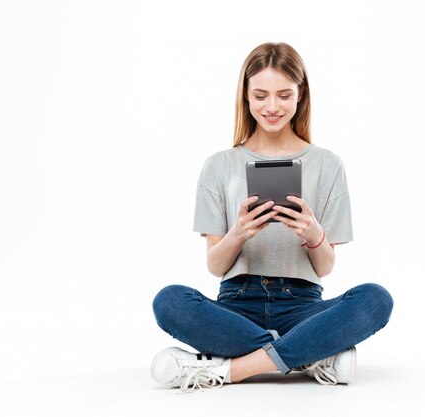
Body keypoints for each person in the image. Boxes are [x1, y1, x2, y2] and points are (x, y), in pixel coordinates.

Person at [151, 42, 393, 392]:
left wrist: (313, 233)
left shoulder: (328, 164)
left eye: (284, 95)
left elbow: (324, 267)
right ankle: (310, 353)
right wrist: (238, 233)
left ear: (300, 95)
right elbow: (216, 266)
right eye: (261, 95)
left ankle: (230, 369)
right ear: (246, 97)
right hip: (236, 305)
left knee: (376, 298)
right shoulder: (219, 165)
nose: (272, 107)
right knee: (169, 300)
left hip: (303, 306)